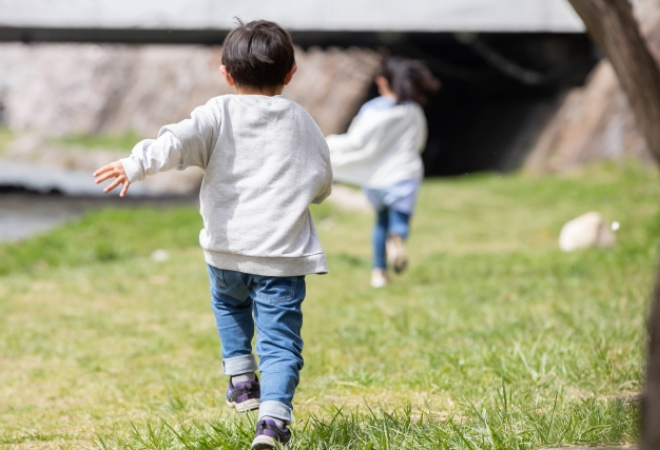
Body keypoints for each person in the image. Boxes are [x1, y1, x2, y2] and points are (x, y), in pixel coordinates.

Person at [92, 19, 332, 450]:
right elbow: (320, 178)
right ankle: (272, 425)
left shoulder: (218, 112)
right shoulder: (301, 120)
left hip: (225, 252)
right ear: (291, 73)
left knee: (228, 305)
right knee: (280, 343)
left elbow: (177, 142)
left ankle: (241, 379)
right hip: (280, 256)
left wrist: (135, 164)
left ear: (225, 72)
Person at [326, 57, 439, 288]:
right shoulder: (413, 110)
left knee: (380, 222)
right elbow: (419, 142)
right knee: (399, 220)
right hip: (404, 174)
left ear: (382, 81)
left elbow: (356, 140)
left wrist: (326, 145)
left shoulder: (373, 110)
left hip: (376, 177)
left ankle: (379, 273)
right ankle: (396, 239)